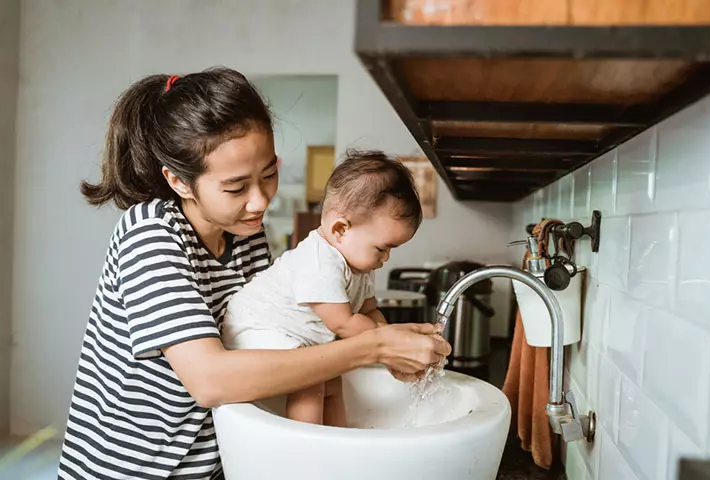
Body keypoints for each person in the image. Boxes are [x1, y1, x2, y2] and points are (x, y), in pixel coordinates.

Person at [57, 67, 451, 480]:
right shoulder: (151, 234)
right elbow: (209, 380)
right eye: (235, 187)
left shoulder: (244, 234)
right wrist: (373, 346)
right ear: (179, 182)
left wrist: (385, 349)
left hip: (210, 464)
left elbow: (272, 338)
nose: (260, 201)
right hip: (128, 470)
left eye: (269, 174)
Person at [222, 151, 423, 427]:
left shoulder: (360, 264)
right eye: (382, 247)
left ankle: (339, 438)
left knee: (333, 380)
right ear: (341, 229)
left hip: (297, 337)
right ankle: (308, 449)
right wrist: (389, 344)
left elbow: (370, 311)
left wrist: (391, 347)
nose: (385, 258)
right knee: (310, 382)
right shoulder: (319, 261)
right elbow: (343, 323)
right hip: (253, 327)